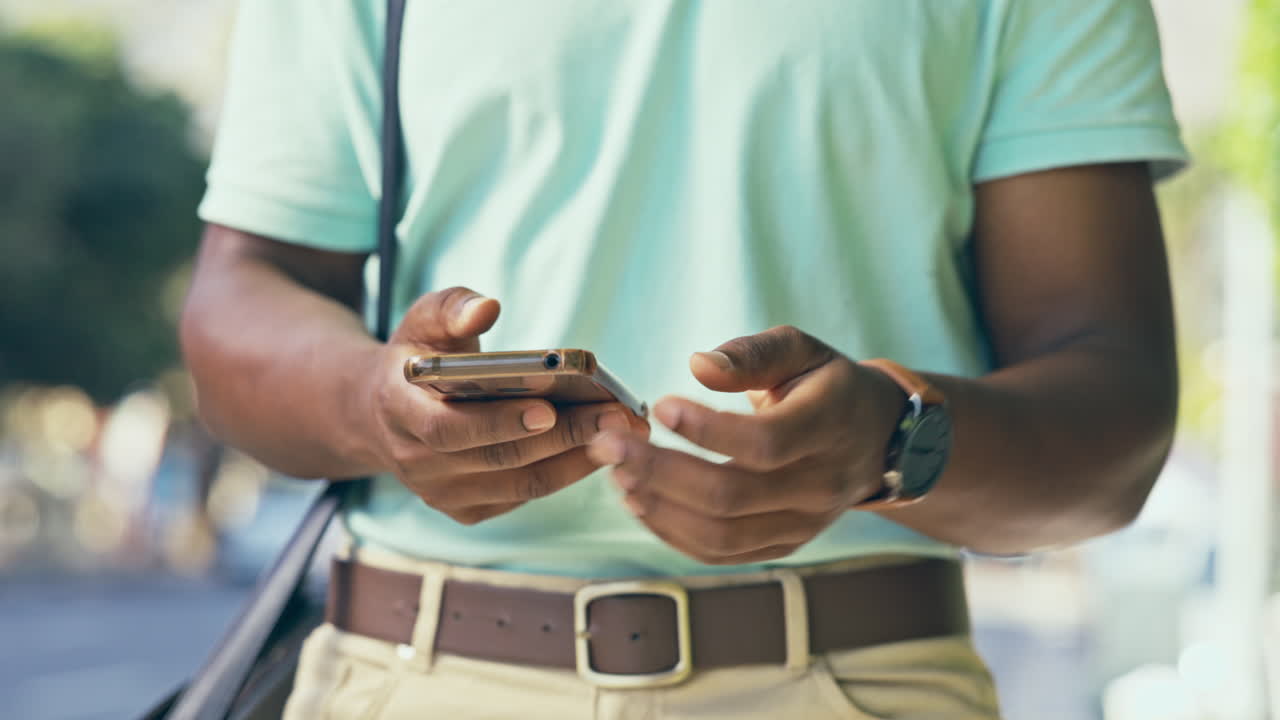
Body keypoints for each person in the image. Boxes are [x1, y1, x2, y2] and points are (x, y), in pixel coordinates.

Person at [181, 1, 1187, 717]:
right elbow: (235, 306)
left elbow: (1116, 424)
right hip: (420, 680)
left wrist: (888, 442)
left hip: (855, 684)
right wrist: (375, 405)